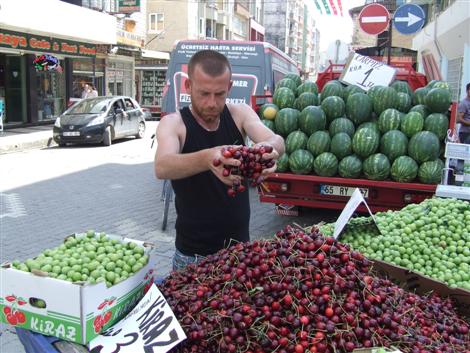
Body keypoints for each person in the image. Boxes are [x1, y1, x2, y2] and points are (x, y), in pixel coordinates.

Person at [154, 50, 285, 271]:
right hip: (192, 258)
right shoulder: (174, 124)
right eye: (204, 93)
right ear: (188, 87)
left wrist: (271, 150)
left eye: (220, 94)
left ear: (229, 88)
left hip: (240, 253)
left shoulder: (239, 113)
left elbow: (276, 139)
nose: (212, 103)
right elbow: (162, 166)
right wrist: (208, 157)